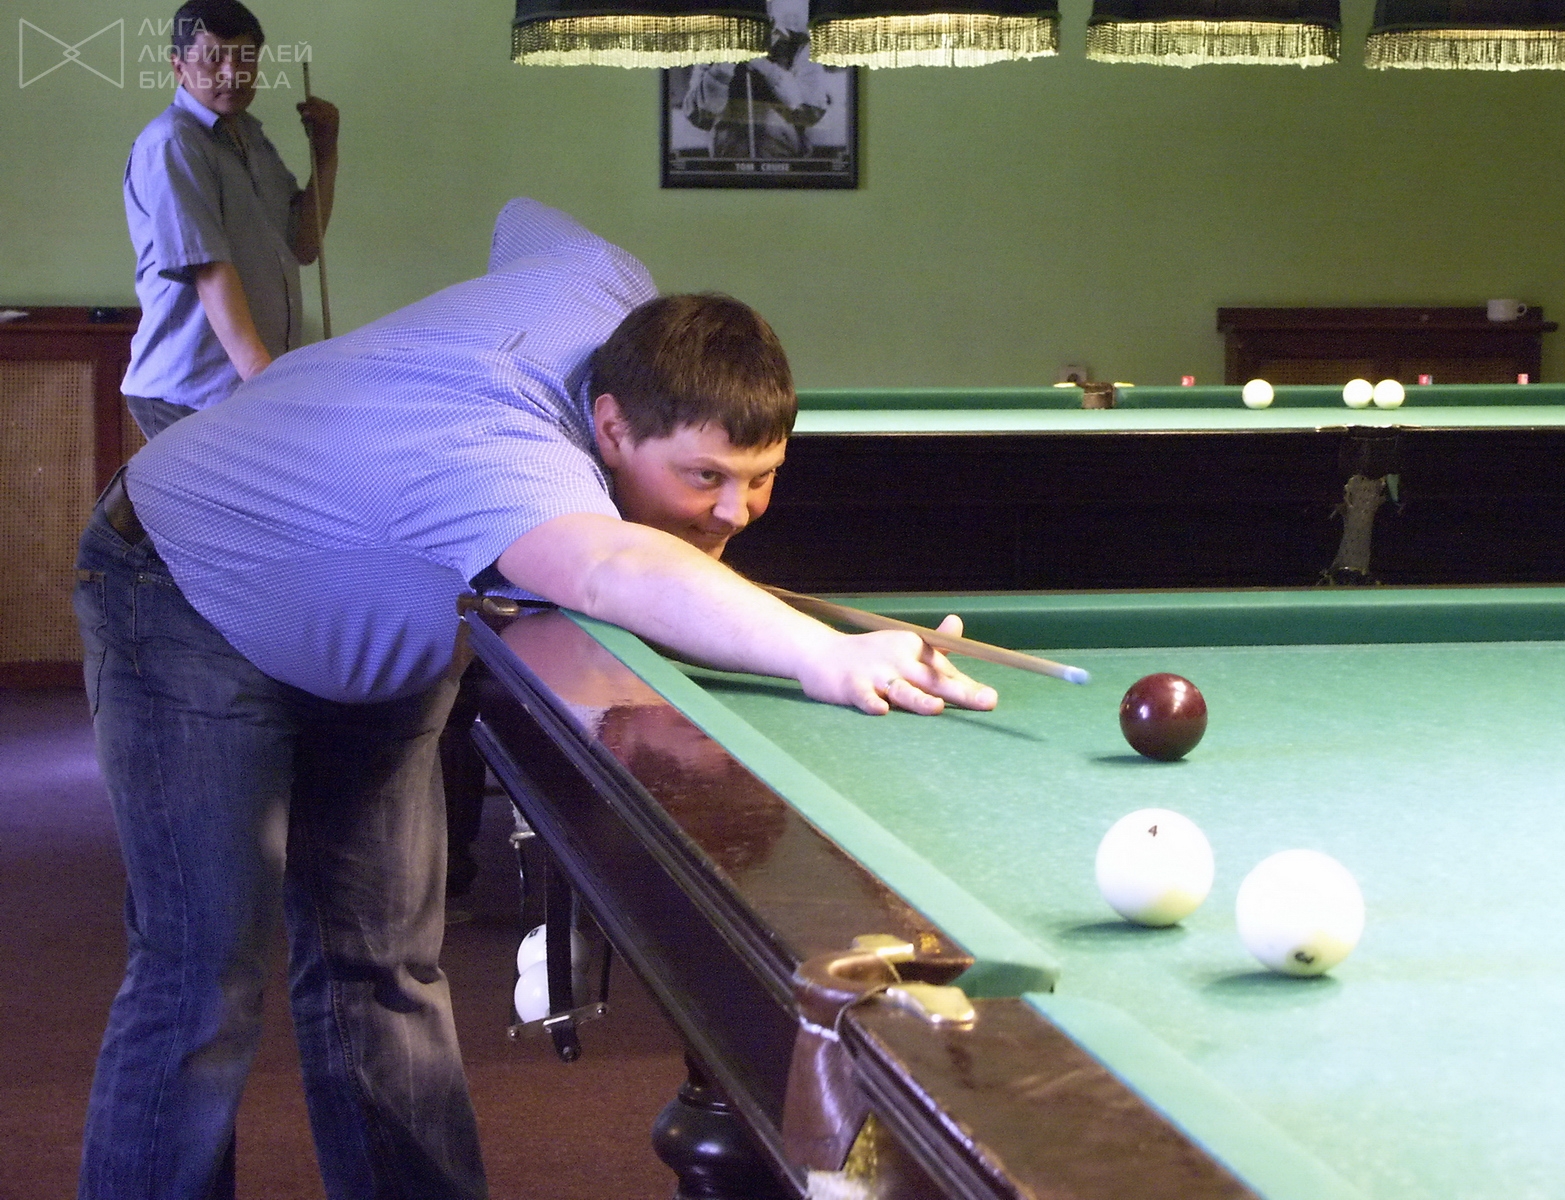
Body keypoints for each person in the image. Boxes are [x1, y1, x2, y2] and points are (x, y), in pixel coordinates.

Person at [74, 197, 995, 1200]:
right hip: (186, 579)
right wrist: (823, 654)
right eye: (704, 477)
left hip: (379, 593)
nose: (735, 511)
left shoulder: (603, 286)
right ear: (610, 425)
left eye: (760, 476)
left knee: (384, 965)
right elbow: (606, 567)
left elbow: (521, 219)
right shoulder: (503, 457)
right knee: (204, 975)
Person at [120, 0, 338, 439]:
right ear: (179, 67)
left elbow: (303, 245)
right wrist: (263, 379)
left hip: (239, 387)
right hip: (189, 392)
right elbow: (209, 269)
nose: (231, 73)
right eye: (213, 58)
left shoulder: (249, 135)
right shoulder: (173, 142)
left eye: (244, 59)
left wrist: (326, 153)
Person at [682, 0, 839, 160]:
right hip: (727, 165)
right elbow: (697, 116)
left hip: (786, 164)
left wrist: (763, 66)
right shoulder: (711, 47)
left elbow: (812, 113)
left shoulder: (800, 46)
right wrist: (723, 66)